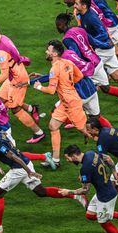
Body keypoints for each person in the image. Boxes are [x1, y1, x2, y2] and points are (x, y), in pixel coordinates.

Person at [0, 128, 88, 233]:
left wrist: (29, 172)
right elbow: (6, 138)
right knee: (41, 192)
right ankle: (76, 196)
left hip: (19, 168)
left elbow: (14, 157)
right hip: (26, 163)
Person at [55, 12, 118, 116]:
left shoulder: (66, 39)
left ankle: (73, 118)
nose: (57, 28)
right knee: (105, 88)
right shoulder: (79, 29)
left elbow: (76, 55)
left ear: (63, 24)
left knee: (78, 93)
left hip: (88, 68)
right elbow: (93, 41)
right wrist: (105, 44)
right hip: (97, 61)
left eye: (58, 25)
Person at [60, 145, 118, 233]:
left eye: (67, 158)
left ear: (73, 156)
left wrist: (68, 191)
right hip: (103, 191)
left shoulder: (85, 169)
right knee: (90, 214)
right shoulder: (90, 153)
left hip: (105, 197)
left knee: (104, 222)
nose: (67, 160)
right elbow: (108, 158)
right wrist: (113, 171)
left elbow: (85, 190)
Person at [0, 22, 45, 144]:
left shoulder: (1, 52)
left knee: (15, 108)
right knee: (0, 99)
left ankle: (39, 133)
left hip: (17, 80)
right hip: (15, 73)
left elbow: (4, 75)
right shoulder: (4, 38)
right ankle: (32, 109)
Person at [33, 40, 91, 169]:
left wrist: (39, 87)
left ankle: (106, 143)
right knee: (53, 126)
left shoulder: (55, 68)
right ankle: (56, 160)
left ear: (54, 53)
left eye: (48, 50)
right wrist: (68, 86)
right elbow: (79, 76)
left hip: (71, 103)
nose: (46, 52)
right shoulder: (68, 62)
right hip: (67, 101)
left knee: (86, 131)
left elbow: (51, 90)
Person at [65, 0, 118, 75]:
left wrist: (97, 42)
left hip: (107, 25)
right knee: (114, 51)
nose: (65, 1)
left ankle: (104, 74)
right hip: (108, 22)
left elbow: (95, 24)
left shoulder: (84, 7)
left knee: (100, 55)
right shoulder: (82, 6)